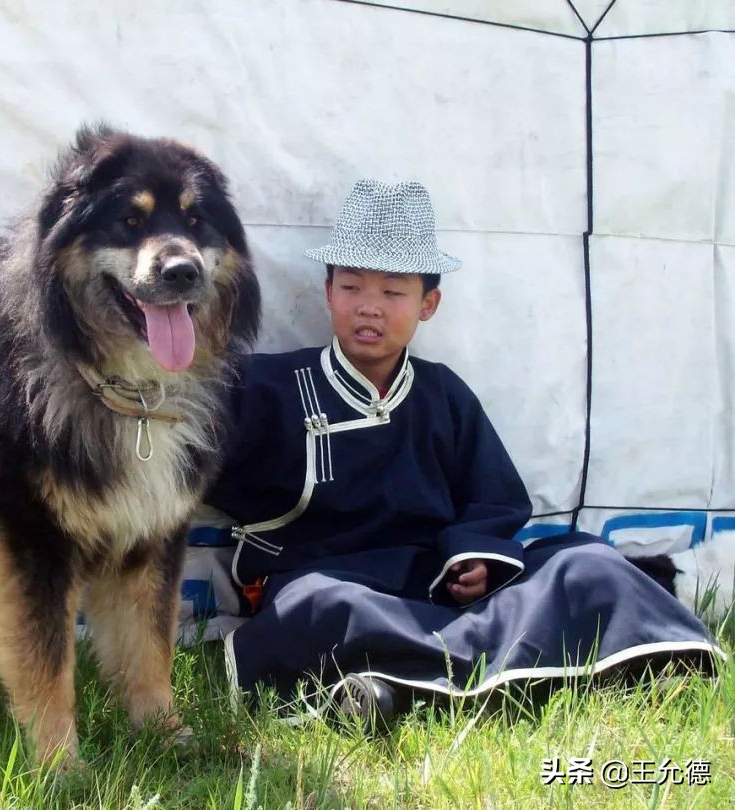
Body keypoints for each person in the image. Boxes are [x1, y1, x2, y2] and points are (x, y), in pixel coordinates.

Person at [204, 180, 721, 725]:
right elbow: (187, 458)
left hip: (436, 581)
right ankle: (513, 673)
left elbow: (493, 496)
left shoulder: (442, 393)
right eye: (352, 287)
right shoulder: (268, 385)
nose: (369, 309)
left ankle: (400, 687)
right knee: (317, 609)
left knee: (586, 561)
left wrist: (474, 555)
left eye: (393, 292)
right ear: (328, 291)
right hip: (332, 579)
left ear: (429, 304)